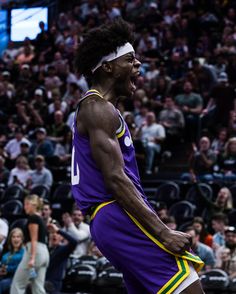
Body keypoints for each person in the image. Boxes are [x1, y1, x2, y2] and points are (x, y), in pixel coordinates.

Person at [71, 19, 204, 294]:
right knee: (189, 286)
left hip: (109, 219)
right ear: (108, 66)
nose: (138, 66)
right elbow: (116, 179)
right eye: (130, 60)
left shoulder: (101, 109)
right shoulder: (98, 108)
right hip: (116, 213)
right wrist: (163, 231)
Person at [10, 194, 49, 294]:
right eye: (24, 204)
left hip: (35, 253)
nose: (25, 207)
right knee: (38, 287)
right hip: (44, 254)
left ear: (34, 205)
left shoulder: (33, 218)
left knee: (17, 284)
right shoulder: (41, 219)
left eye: (27, 204)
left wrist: (32, 258)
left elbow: (34, 239)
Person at [45, 222, 78, 293]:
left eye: (57, 234)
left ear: (61, 237)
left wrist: (58, 230)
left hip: (54, 285)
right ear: (49, 236)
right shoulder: (45, 249)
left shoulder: (62, 250)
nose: (54, 235)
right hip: (42, 283)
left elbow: (74, 242)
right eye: (52, 233)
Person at [0, 228, 24, 294]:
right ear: (10, 239)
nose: (15, 239)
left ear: (21, 239)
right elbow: (2, 264)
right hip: (5, 276)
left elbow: (22, 267)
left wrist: (7, 269)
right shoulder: (6, 254)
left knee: (2, 284)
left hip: (17, 278)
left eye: (18, 237)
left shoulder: (24, 253)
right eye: (13, 237)